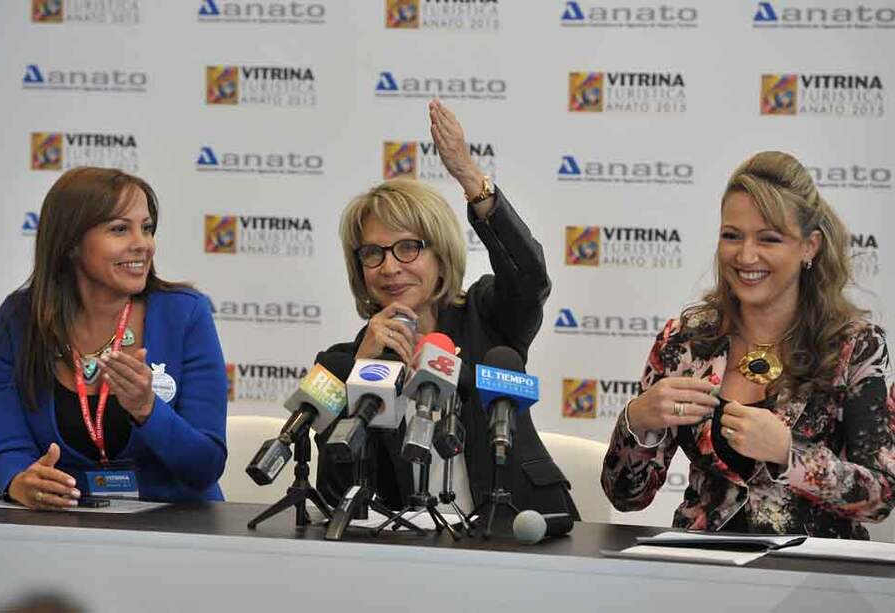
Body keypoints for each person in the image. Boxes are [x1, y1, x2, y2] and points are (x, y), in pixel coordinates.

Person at [601, 151, 895, 538]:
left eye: (769, 239)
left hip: (810, 568)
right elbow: (625, 496)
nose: (746, 255)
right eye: (732, 236)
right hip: (700, 564)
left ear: (809, 246)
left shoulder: (854, 346)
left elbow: (881, 496)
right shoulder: (684, 341)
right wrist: (638, 420)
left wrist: (788, 453)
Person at [315, 100, 579, 521]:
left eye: (408, 247)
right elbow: (334, 493)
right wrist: (360, 373)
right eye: (372, 253)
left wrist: (472, 180)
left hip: (517, 529)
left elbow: (529, 278)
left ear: (441, 256)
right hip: (411, 546)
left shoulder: (486, 316)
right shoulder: (338, 364)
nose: (390, 267)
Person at [0, 167, 227, 508]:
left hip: (176, 528)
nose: (142, 244)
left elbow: (206, 466)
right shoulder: (19, 320)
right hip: (64, 525)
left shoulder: (184, 314)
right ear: (71, 242)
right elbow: (10, 450)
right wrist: (20, 482)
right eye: (120, 229)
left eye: (146, 228)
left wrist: (147, 410)